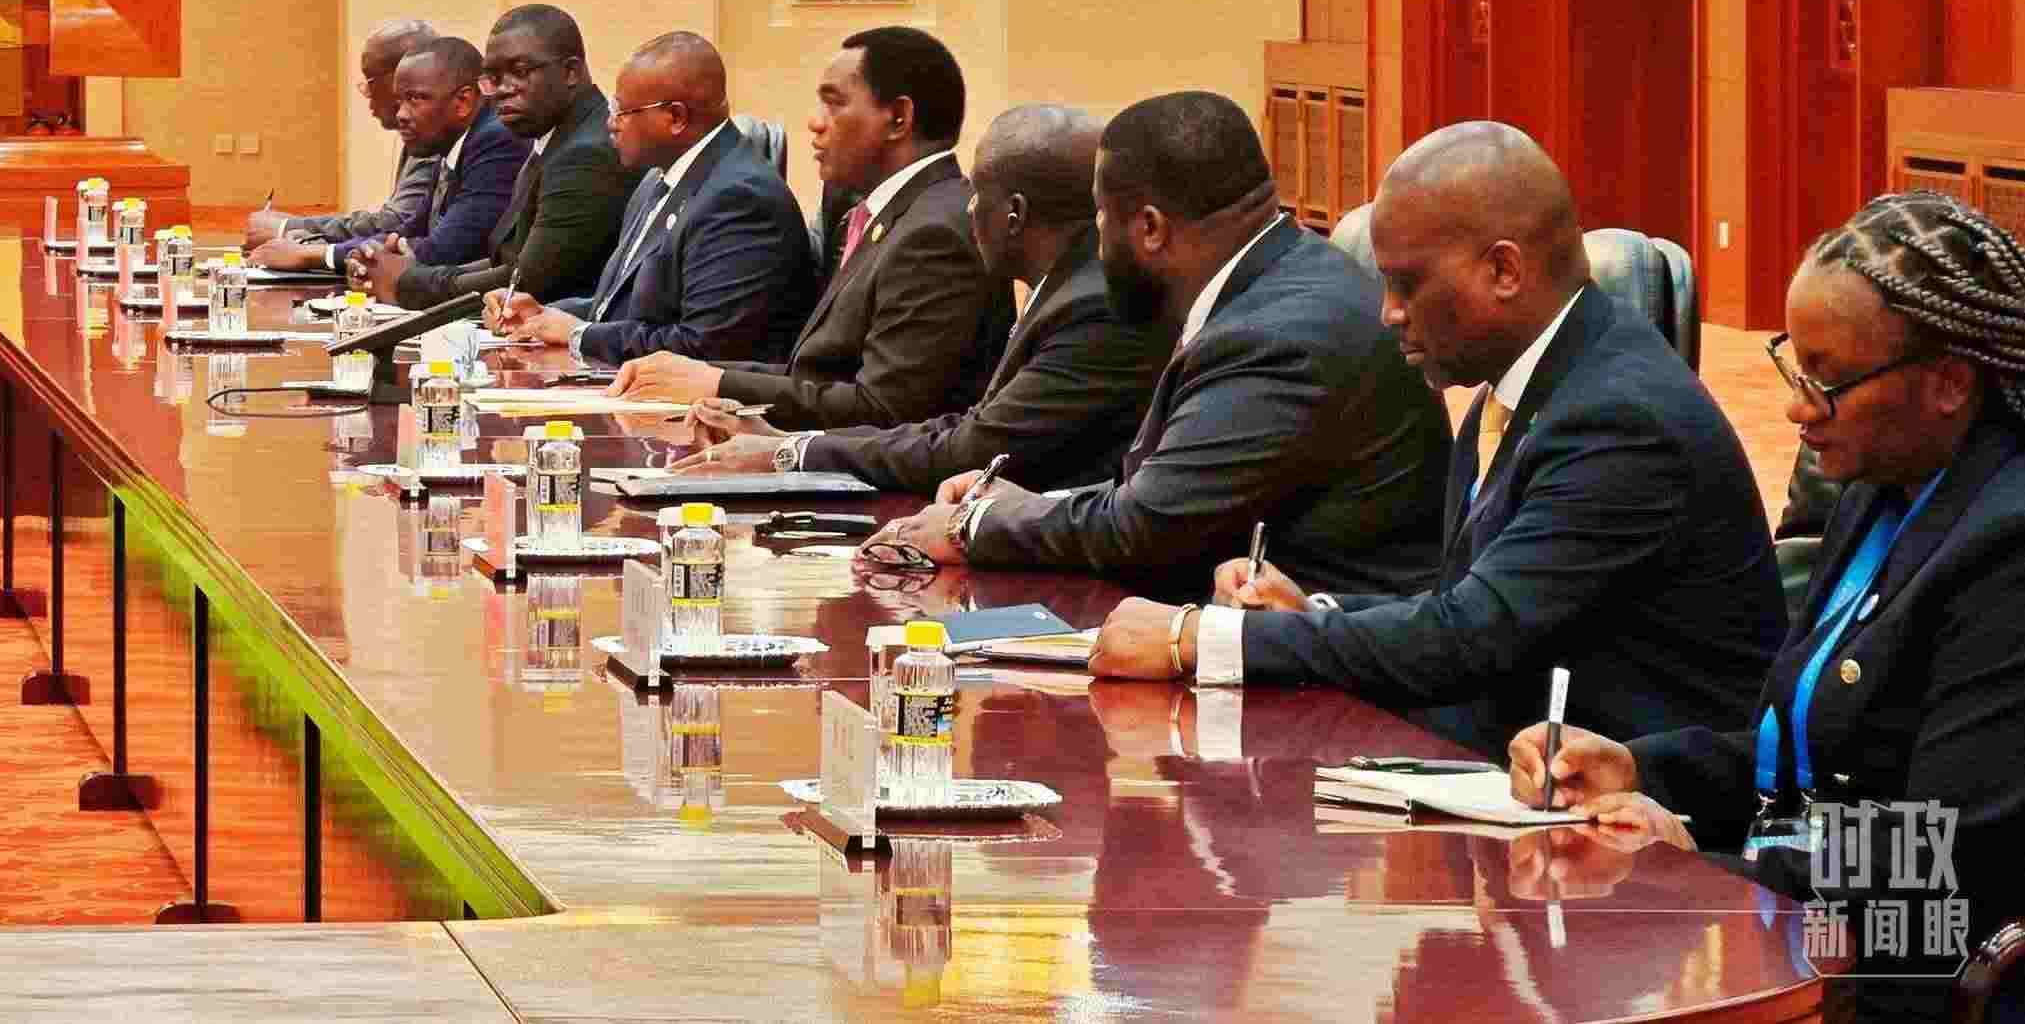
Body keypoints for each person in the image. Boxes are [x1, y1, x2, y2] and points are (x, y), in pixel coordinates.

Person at [1087, 122, 1787, 754]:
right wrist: (1312, 611)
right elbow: (1466, 600)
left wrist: (1197, 640)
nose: (1387, 313)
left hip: (1633, 810)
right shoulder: (1519, 387)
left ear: (1504, 270)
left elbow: (1470, 637)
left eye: (1406, 285)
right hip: (1511, 754)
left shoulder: (1620, 420)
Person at [1509, 191, 2025, 1016]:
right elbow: (1814, 751)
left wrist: (1704, 858)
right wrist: (1641, 767)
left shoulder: (2006, 545)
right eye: (1795, 368)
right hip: (1810, 935)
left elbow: (1948, 846)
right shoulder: (1879, 490)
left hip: (1919, 974)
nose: (1796, 408)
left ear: (1948, 383)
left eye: (1828, 382)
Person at [862, 91, 1445, 602]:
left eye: (1100, 216)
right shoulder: (1273, 282)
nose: (1095, 240)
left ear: (1150, 228)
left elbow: (1146, 525)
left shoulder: (1273, 334)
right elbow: (1160, 489)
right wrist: (1024, 505)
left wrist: (971, 525)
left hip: (1327, 667)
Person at [674, 104, 1171, 494]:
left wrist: (789, 454)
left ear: (1014, 215)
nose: (969, 209)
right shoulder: (1069, 286)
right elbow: (969, 426)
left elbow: (976, 448)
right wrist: (790, 443)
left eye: (978, 194)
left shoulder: (1093, 306)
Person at [608, 26, 1009, 429]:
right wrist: (692, 374)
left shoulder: (935, 234)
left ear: (899, 118)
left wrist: (718, 383)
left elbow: (884, 409)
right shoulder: (890, 215)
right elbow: (818, 375)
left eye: (834, 104)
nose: (815, 123)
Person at [493, 33, 815, 365]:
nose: (610, 124)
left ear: (676, 117)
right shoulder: (656, 180)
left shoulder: (739, 199)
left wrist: (581, 335)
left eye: (621, 111)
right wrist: (544, 316)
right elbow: (625, 309)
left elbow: (704, 347)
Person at [390, 4, 638, 310]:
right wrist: (414, 275)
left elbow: (525, 284)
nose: (503, 90)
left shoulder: (584, 154)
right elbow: (507, 260)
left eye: (520, 73)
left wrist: (408, 283)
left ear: (570, 72)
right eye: (493, 78)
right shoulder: (554, 138)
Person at [249, 38, 520, 286]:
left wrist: (316, 255)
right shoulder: (449, 142)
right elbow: (407, 231)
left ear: (463, 101)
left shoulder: (496, 140)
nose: (401, 114)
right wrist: (355, 253)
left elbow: (445, 248)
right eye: (400, 101)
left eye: (415, 99)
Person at [247, 18, 437, 267]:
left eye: (370, 82)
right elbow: (401, 230)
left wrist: (293, 234)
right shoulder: (421, 135)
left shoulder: (438, 138)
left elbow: (396, 224)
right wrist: (305, 239)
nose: (367, 95)